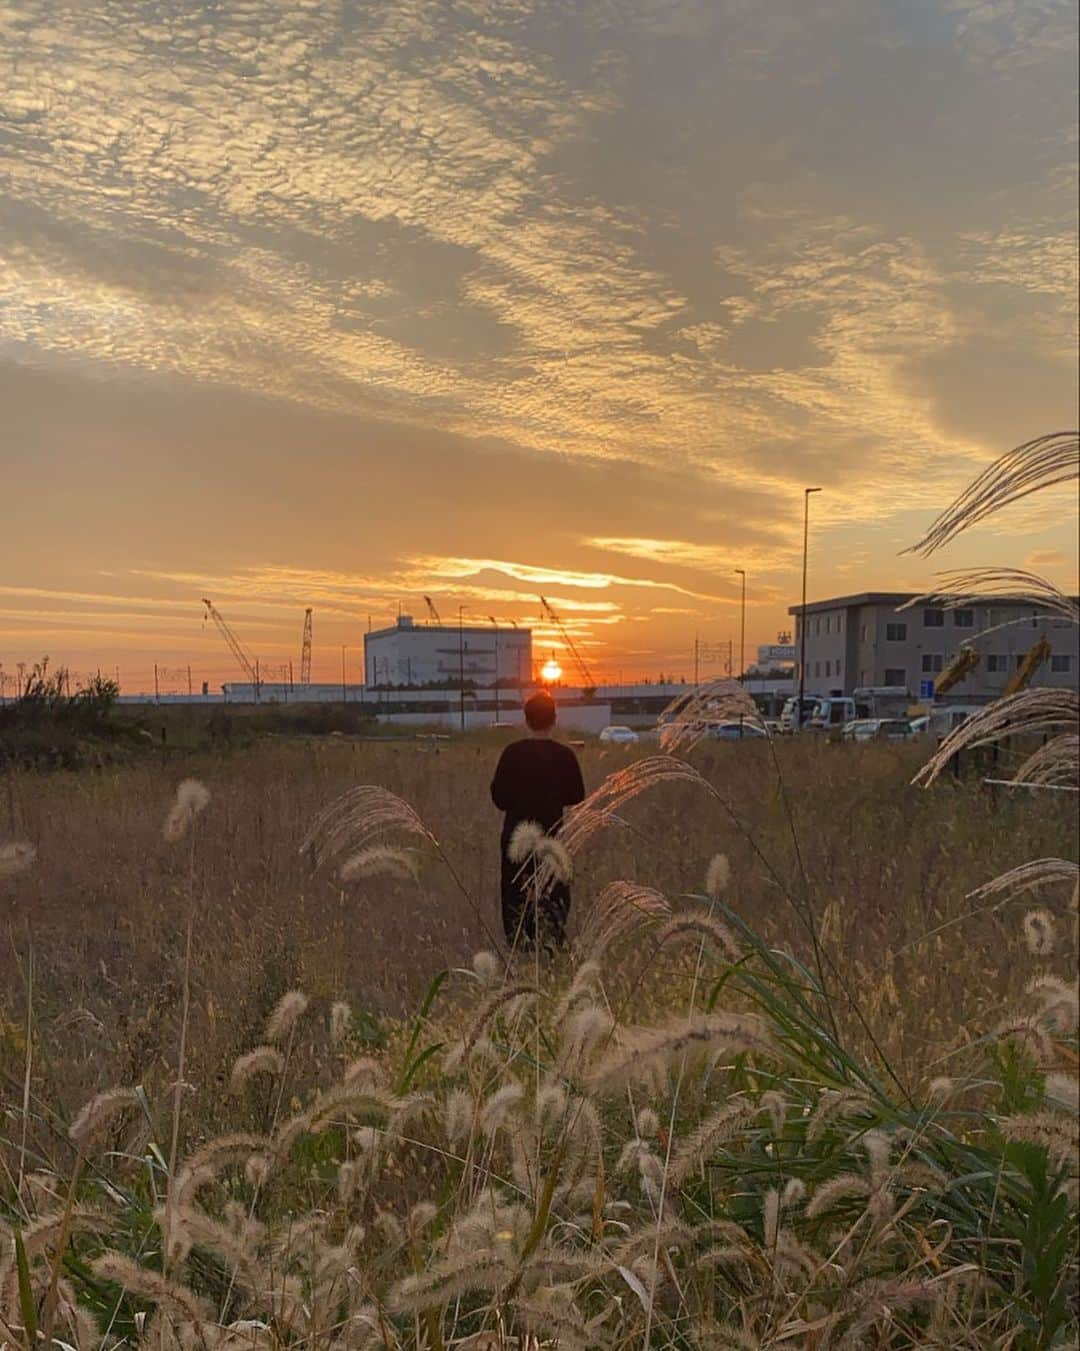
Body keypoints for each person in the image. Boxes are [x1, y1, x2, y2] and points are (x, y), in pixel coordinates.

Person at [491, 690, 585, 951]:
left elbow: (498, 797)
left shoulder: (512, 754)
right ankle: (552, 945)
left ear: (526, 719)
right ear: (553, 719)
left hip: (515, 839)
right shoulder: (565, 756)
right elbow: (577, 794)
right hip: (553, 836)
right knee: (553, 891)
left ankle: (520, 946)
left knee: (515, 892)